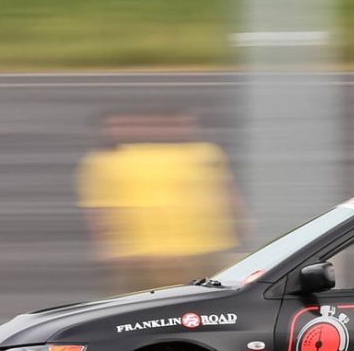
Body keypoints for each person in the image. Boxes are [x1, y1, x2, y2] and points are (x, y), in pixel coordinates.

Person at [77, 112, 238, 296]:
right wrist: (106, 249)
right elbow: (99, 210)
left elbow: (226, 193)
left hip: (199, 252)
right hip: (139, 257)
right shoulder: (105, 161)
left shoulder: (205, 153)